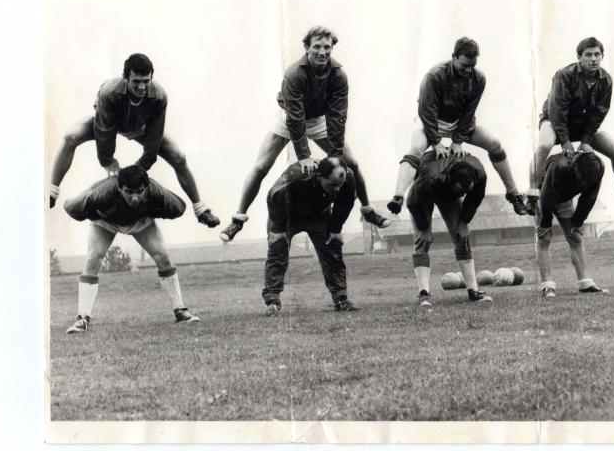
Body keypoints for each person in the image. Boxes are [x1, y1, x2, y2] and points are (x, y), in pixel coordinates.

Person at [219, 26, 390, 242]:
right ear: (307, 48)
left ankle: (367, 211)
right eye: (316, 47)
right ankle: (238, 219)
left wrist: (336, 157)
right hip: (289, 116)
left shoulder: (339, 75)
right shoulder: (294, 73)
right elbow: (295, 118)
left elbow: (337, 118)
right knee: (261, 166)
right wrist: (304, 156)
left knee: (351, 163)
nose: (322, 52)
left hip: (318, 120)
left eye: (327, 47)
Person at [48, 53, 220, 228]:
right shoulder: (110, 91)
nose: (142, 86)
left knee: (179, 157)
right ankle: (51, 193)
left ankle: (201, 209)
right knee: (70, 137)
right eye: (136, 81)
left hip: (139, 128)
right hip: (107, 122)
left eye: (146, 81)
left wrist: (143, 165)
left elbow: (155, 134)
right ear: (125, 77)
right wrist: (108, 161)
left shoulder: (159, 96)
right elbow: (104, 130)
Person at [389, 37, 528, 218]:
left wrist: (457, 141)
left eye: (472, 66)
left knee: (495, 143)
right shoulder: (434, 76)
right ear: (454, 57)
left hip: (458, 124)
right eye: (464, 66)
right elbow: (426, 111)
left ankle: (513, 193)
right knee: (415, 148)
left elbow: (469, 112)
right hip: (432, 121)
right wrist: (436, 142)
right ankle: (398, 195)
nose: (468, 71)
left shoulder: (478, 78)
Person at [61, 165, 199, 333]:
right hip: (106, 221)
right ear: (119, 188)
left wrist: (152, 210)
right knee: (93, 257)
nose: (135, 197)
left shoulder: (156, 193)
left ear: (146, 188)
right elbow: (71, 207)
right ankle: (82, 319)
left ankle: (180, 311)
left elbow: (178, 208)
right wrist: (97, 212)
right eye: (128, 192)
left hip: (140, 220)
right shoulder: (101, 193)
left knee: (162, 255)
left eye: (140, 191)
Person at [528, 37, 614, 213]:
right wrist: (565, 141)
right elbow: (557, 110)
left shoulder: (606, 80)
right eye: (588, 55)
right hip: (555, 122)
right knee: (543, 146)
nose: (593, 59)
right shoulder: (564, 75)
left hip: (582, 126)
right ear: (579, 57)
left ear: (602, 56)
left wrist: (586, 140)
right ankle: (532, 193)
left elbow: (599, 113)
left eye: (597, 54)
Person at [261, 157, 359, 314]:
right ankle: (272, 302)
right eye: (332, 185)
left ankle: (341, 299)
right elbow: (274, 195)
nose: (338, 189)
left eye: (340, 185)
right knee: (277, 250)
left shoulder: (347, 177)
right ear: (319, 177)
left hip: (318, 215)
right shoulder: (298, 174)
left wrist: (335, 228)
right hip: (288, 215)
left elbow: (346, 202)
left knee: (331, 248)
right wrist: (278, 229)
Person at [406, 151, 493, 306]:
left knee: (462, 238)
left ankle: (473, 291)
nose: (463, 195)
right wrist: (424, 228)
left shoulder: (479, 175)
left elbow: (475, 198)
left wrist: (464, 222)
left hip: (446, 189)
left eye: (466, 192)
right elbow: (412, 201)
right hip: (423, 194)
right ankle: (424, 293)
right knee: (422, 240)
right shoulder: (429, 179)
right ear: (450, 180)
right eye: (461, 192)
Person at [534, 150, 609, 297]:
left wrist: (578, 221)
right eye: (581, 180)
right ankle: (547, 286)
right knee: (544, 237)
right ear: (575, 168)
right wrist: (545, 223)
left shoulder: (598, 167)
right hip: (543, 193)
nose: (583, 184)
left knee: (575, 237)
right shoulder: (559, 166)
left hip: (564, 198)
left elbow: (590, 196)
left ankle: (585, 283)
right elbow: (546, 196)